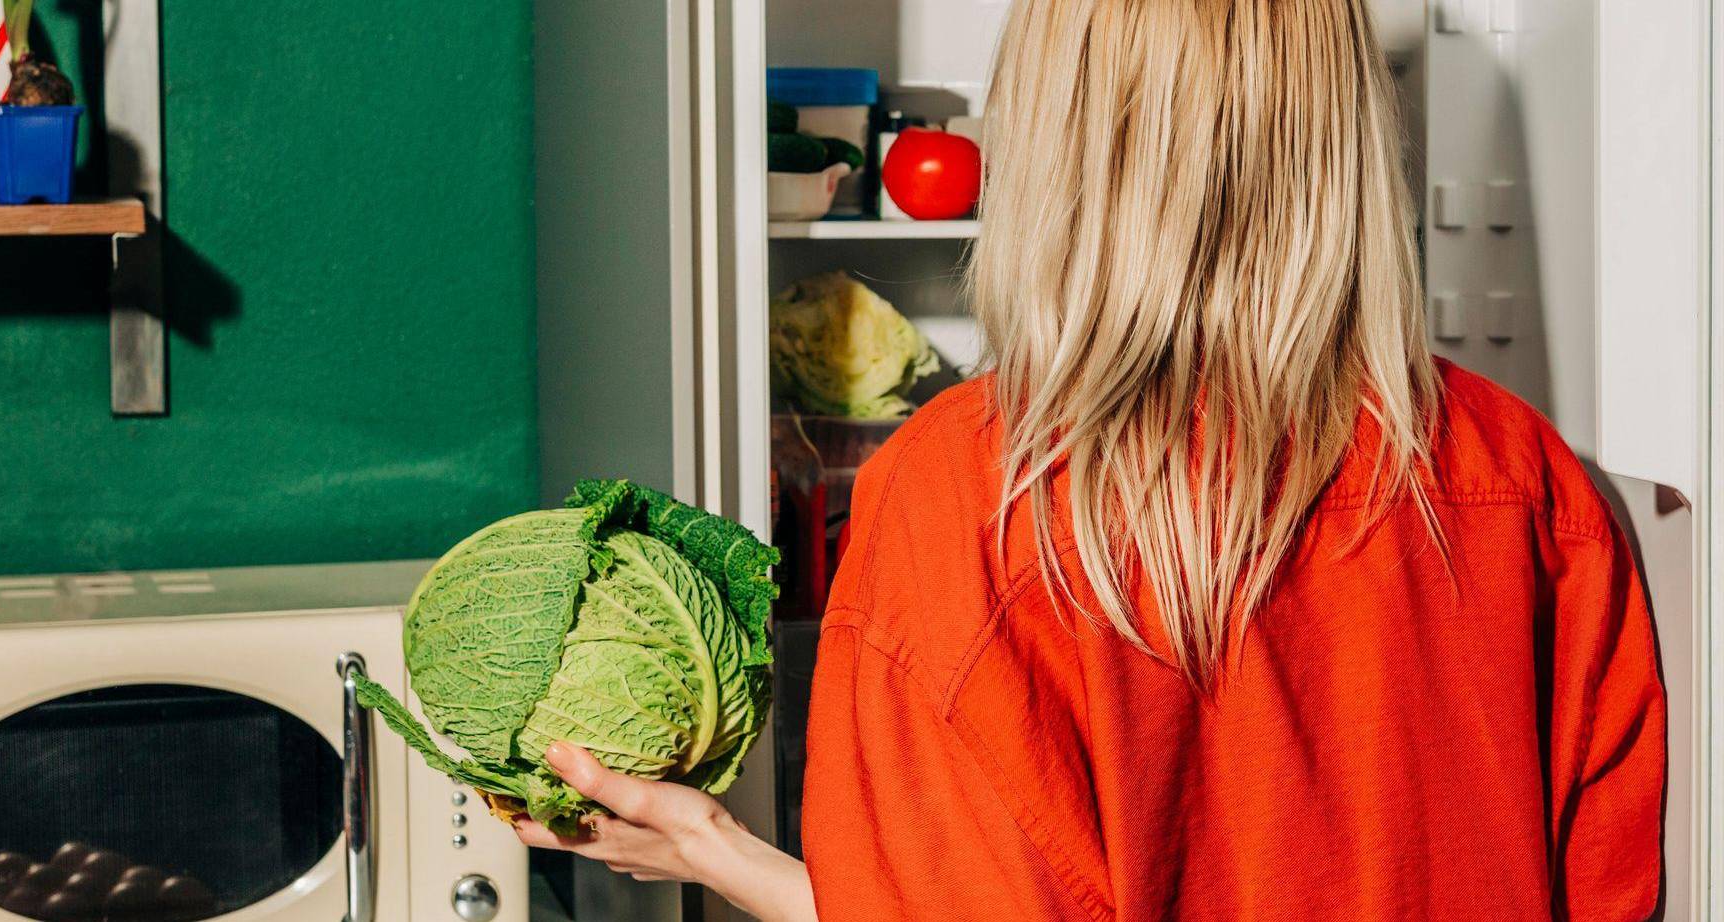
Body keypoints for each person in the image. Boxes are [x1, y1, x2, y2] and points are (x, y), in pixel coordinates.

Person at [514, 0, 1668, 917]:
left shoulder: (969, 496)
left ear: (1054, 138)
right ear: (1347, 134)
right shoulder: (1531, 484)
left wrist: (722, 855)